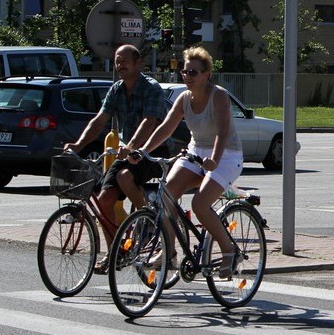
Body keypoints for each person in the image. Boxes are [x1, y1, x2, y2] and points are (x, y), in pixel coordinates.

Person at [138, 46, 244, 279]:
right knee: (165, 196)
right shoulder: (184, 98)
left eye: (193, 73)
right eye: (185, 72)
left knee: (200, 204)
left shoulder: (219, 96)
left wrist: (215, 160)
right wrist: (143, 150)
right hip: (196, 151)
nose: (187, 77)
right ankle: (169, 252)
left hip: (226, 155)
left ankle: (229, 251)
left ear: (207, 75)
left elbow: (223, 131)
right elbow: (166, 127)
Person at [63, 44, 168, 273]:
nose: (120, 65)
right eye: (117, 61)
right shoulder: (117, 89)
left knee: (123, 176)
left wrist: (131, 146)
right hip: (127, 152)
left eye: (124, 61)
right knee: (104, 201)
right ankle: (115, 252)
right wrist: (79, 144)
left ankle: (147, 217)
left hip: (152, 151)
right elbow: (100, 120)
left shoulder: (152, 88)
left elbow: (149, 122)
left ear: (138, 63)